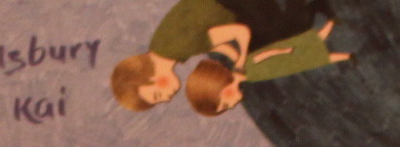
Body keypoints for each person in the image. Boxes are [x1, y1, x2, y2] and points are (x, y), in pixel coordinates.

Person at [110, 0, 345, 114]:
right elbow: (210, 40)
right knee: (260, 46)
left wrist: (241, 62)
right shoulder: (164, 48)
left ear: (150, 76)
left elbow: (239, 32)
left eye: (157, 94)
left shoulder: (177, 47)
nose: (167, 98)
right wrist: (235, 57)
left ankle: (314, 10)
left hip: (231, 4)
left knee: (282, 33)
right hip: (226, 7)